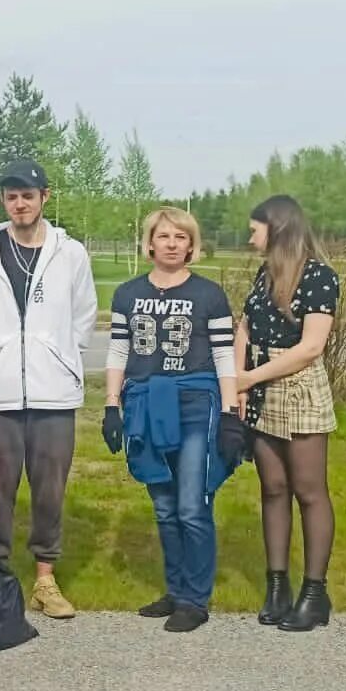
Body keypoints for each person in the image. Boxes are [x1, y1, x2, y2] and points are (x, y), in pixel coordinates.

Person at [0, 159, 97, 620]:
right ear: (4, 201)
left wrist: (61, 358)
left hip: (53, 394)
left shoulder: (70, 253)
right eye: (12, 196)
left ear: (45, 197)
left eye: (28, 195)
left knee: (49, 491)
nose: (20, 203)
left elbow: (84, 316)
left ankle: (44, 579)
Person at [102, 208, 243, 633]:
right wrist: (112, 405)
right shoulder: (127, 294)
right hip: (145, 402)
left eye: (180, 237)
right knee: (164, 507)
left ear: (191, 245)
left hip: (196, 403)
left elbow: (223, 354)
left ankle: (195, 600)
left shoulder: (209, 294)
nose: (171, 243)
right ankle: (176, 589)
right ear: (149, 243)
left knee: (191, 503)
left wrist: (233, 412)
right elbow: (119, 352)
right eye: (164, 236)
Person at [234, 195, 341, 632]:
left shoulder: (319, 276)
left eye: (255, 228)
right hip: (259, 385)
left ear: (277, 229)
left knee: (309, 490)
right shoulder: (265, 274)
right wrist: (239, 379)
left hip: (297, 387)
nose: (250, 236)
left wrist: (251, 377)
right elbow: (244, 325)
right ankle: (276, 584)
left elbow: (311, 347)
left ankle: (314, 593)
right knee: (273, 487)